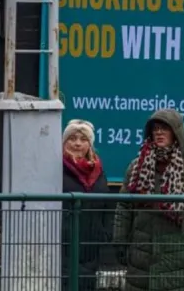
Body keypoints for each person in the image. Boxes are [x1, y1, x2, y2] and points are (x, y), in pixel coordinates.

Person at [114, 108, 184, 291]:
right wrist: (119, 241)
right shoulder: (137, 167)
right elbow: (124, 207)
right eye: (155, 129)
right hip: (141, 258)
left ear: (177, 133)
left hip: (180, 257)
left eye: (165, 128)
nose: (159, 132)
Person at [61, 119, 110, 291]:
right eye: (72, 138)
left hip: (91, 249)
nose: (77, 143)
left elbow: (106, 206)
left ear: (90, 144)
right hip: (62, 247)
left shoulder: (98, 171)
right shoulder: (55, 168)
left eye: (83, 139)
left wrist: (104, 235)